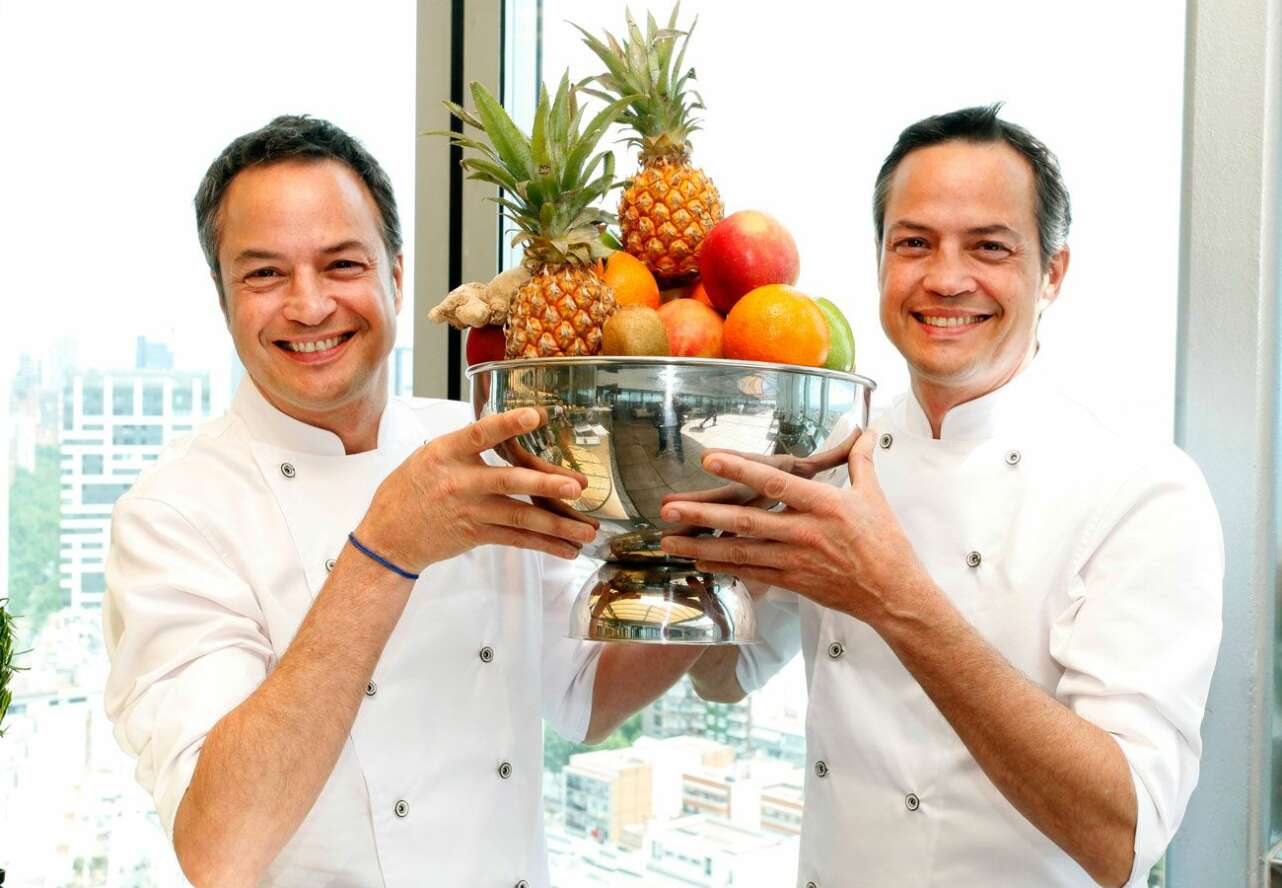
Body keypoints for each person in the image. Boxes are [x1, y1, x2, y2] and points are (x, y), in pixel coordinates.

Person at [102, 115, 702, 887]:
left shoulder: (486, 443)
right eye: (264, 275)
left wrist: (713, 557)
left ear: (395, 274)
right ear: (224, 300)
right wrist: (387, 548)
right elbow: (221, 849)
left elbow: (586, 695)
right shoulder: (172, 515)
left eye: (341, 264)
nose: (310, 306)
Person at [664, 105, 1223, 887]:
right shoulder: (834, 463)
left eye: (989, 247)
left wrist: (892, 595)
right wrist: (737, 563)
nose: (945, 278)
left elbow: (1121, 836)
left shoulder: (1144, 491)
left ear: (1052, 272)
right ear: (882, 260)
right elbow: (721, 680)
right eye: (914, 244)